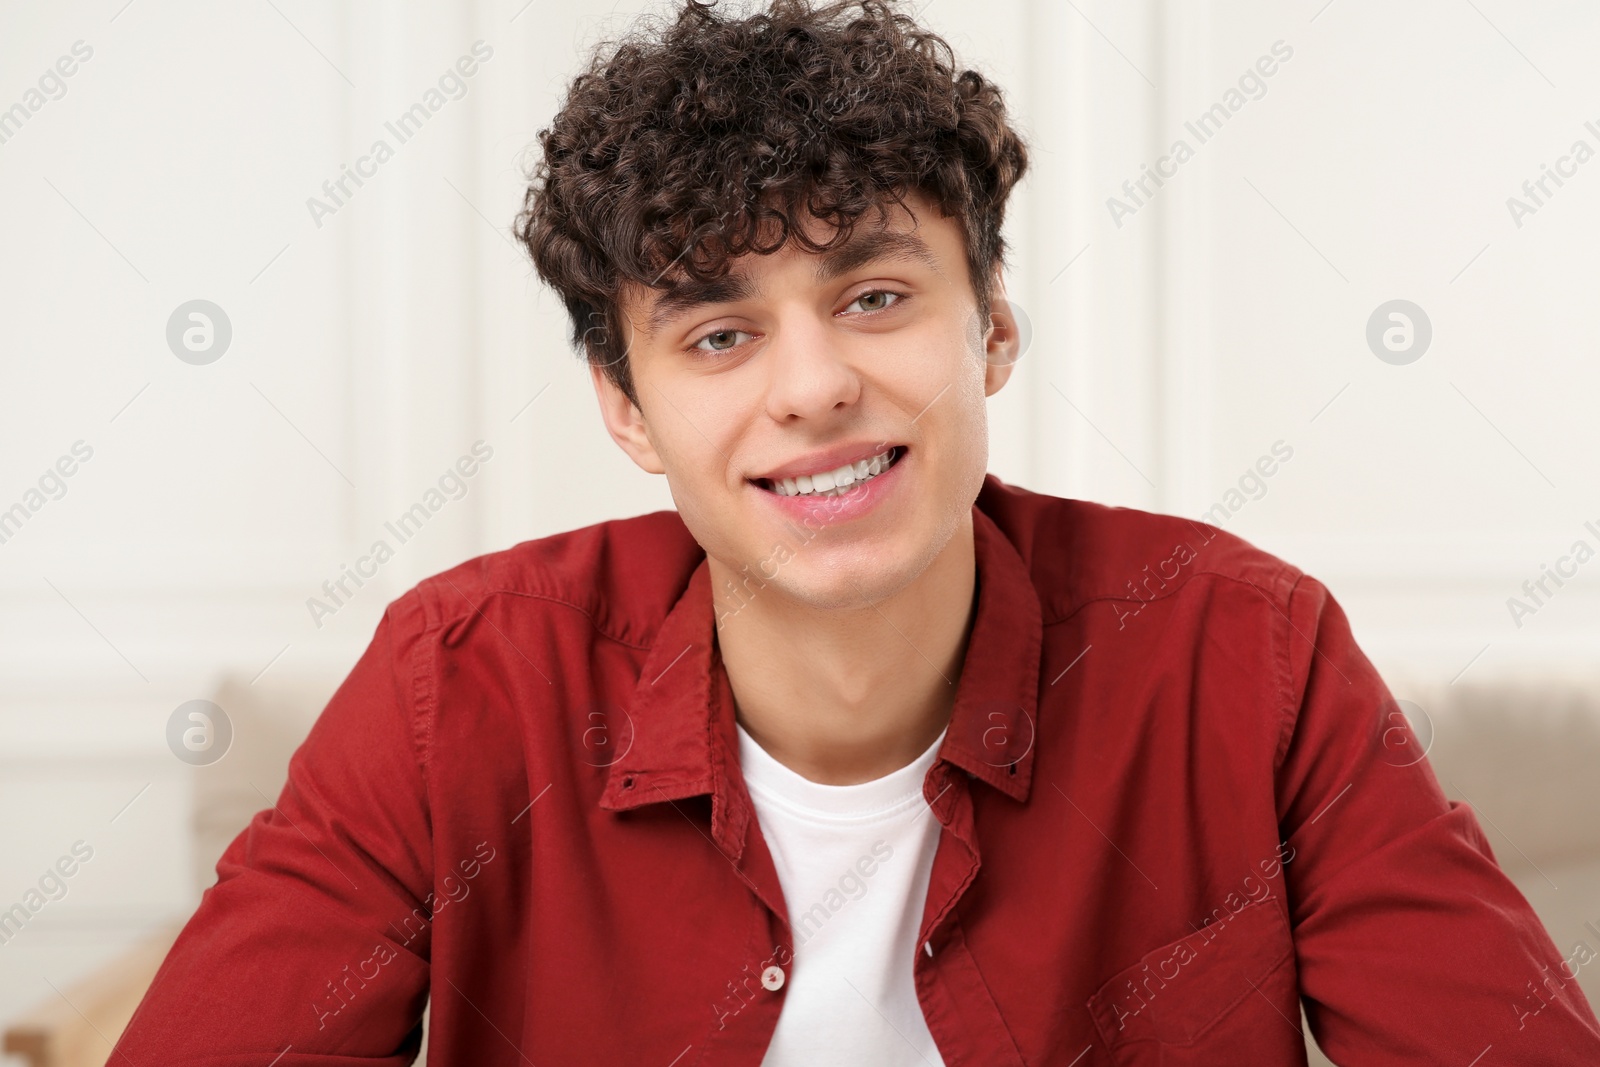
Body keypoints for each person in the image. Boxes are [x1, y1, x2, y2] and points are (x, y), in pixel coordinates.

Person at [112, 0, 1600, 1063]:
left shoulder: (1246, 656)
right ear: (626, 409)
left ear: (994, 329)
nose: (815, 386)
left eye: (875, 298)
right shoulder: (459, 685)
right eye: (716, 335)